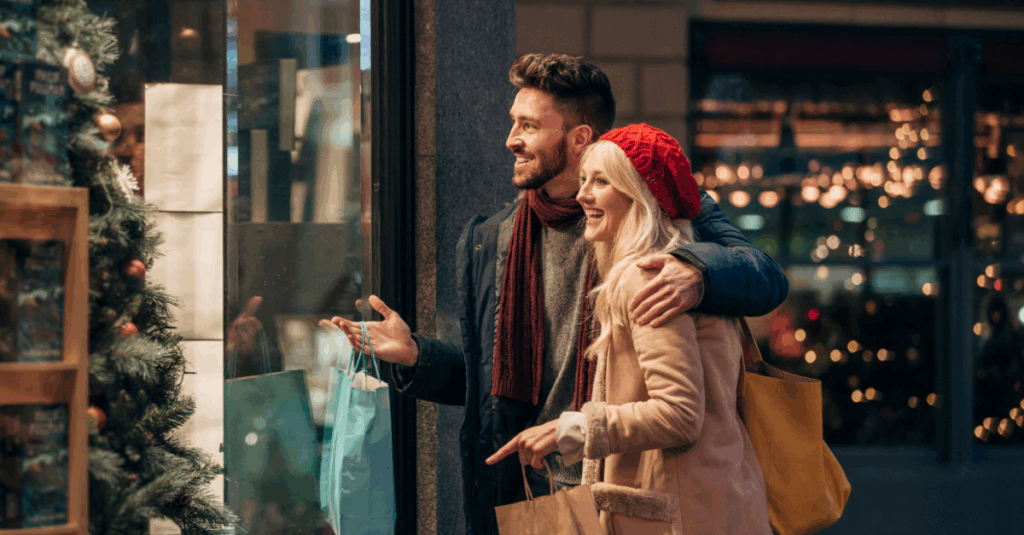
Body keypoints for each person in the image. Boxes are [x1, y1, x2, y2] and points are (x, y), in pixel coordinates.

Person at [327, 54, 786, 535]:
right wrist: (417, 356)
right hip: (535, 487)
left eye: (527, 125)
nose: (511, 140)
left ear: (579, 137)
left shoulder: (656, 214)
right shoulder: (494, 239)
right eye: (513, 122)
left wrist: (696, 273)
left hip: (626, 484)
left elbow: (766, 277)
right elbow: (494, 379)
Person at [488, 124, 771, 534]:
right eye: (584, 179)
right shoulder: (684, 270)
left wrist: (571, 427)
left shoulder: (649, 276)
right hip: (713, 501)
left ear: (639, 195)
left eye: (600, 181)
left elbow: (679, 414)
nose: (583, 194)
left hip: (678, 517)